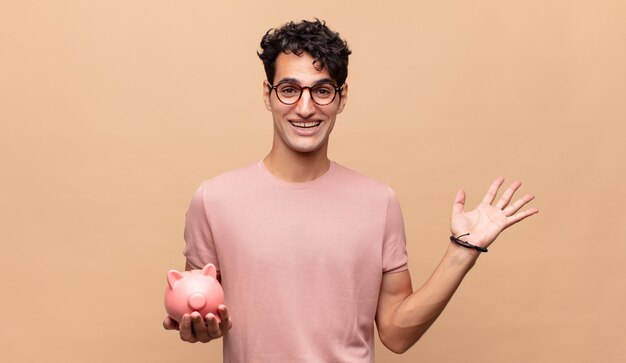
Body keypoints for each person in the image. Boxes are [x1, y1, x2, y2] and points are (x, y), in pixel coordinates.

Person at [163, 19, 538, 362]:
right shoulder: (214, 200)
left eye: (322, 90)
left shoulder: (378, 202)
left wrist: (464, 250)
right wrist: (200, 326)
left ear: (341, 97)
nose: (305, 107)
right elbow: (206, 312)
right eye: (290, 89)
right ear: (268, 94)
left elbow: (396, 333)